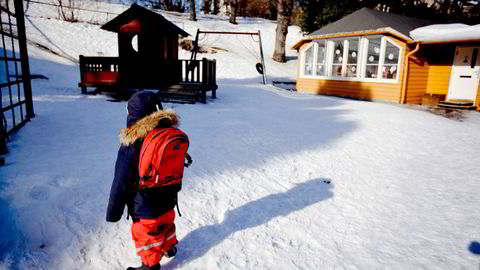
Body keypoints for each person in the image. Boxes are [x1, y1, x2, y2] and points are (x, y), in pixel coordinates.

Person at [107, 91, 181, 270]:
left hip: (144, 202)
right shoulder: (169, 132)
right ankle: (169, 247)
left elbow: (121, 179)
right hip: (169, 195)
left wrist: (113, 212)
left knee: (146, 232)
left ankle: (150, 265)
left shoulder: (132, 143)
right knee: (165, 222)